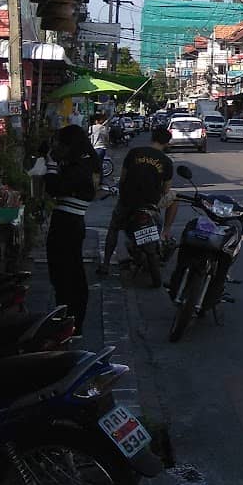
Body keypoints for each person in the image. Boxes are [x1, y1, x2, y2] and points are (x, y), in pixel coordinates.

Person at [43, 124, 98, 332]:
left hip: (67, 222)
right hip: (72, 221)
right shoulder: (86, 161)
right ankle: (69, 317)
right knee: (70, 272)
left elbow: (54, 188)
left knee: (65, 273)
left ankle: (70, 320)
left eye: (60, 143)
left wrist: (51, 167)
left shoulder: (79, 167)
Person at [100, 126, 175, 275]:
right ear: (167, 143)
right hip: (151, 203)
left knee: (114, 228)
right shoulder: (166, 162)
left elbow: (123, 179)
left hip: (128, 200)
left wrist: (123, 195)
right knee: (175, 198)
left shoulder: (134, 153)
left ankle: (106, 263)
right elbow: (166, 190)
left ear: (152, 138)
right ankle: (165, 232)